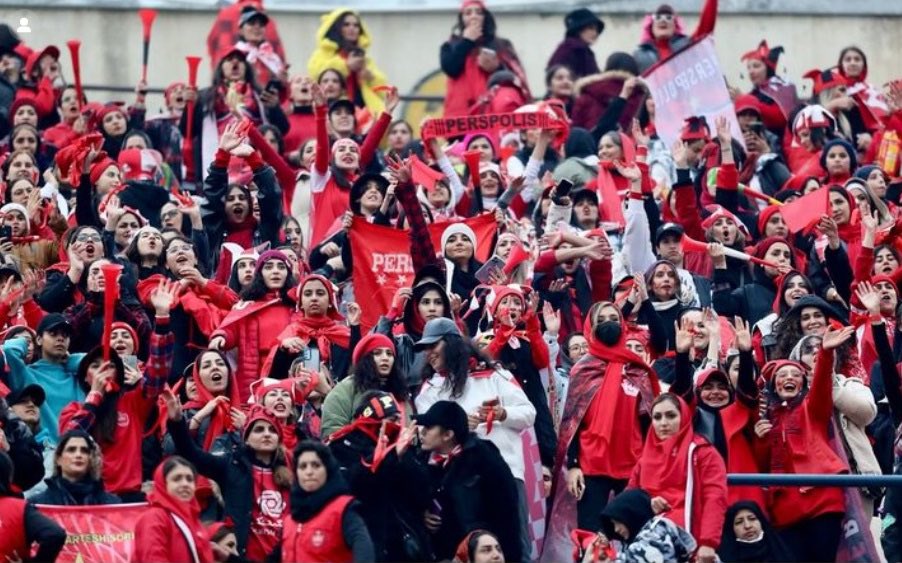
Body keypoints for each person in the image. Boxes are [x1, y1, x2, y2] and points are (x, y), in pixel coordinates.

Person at [754, 326, 854, 561]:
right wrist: (760, 440)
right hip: (784, 508)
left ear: (803, 383)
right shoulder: (766, 418)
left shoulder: (813, 409)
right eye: (782, 375)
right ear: (774, 385)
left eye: (796, 375)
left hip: (822, 500)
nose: (789, 378)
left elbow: (821, 388)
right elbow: (761, 465)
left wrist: (826, 354)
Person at [165, 390, 292, 560]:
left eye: (272, 430)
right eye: (259, 430)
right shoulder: (231, 465)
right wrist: (177, 422)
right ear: (246, 438)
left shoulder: (293, 473)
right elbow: (191, 454)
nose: (267, 434)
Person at [327, 391, 431, 561]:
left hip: (402, 541)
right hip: (363, 539)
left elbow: (422, 493)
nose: (397, 425)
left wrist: (400, 456)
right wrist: (385, 459)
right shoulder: (341, 447)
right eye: (391, 420)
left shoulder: (403, 447)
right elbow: (348, 488)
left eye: (399, 419)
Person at [415, 400, 523, 562]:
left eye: (428, 428)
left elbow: (507, 512)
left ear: (448, 435)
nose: (422, 433)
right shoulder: (421, 460)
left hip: (480, 552)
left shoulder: (483, 457)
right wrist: (423, 514)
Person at [627, 393, 727, 562]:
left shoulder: (703, 452)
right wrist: (647, 503)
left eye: (671, 416)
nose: (663, 423)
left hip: (689, 542)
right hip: (647, 542)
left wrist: (708, 542)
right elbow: (627, 501)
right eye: (657, 417)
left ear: (685, 417)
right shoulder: (643, 461)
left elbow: (715, 497)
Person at [273, 440, 375, 562]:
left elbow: (365, 553)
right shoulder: (290, 520)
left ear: (328, 469)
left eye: (316, 465)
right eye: (303, 466)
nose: (309, 472)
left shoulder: (343, 511)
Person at [440, 0, 530, 117]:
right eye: (468, 13)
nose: (474, 17)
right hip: (461, 115)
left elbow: (515, 79)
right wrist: (467, 41)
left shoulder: (501, 45)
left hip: (494, 112)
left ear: (485, 17)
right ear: (461, 19)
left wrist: (497, 68)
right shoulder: (450, 45)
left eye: (478, 12)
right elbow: (451, 69)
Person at [321, 333, 412, 437]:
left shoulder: (401, 392)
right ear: (365, 359)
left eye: (389, 354)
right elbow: (332, 431)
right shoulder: (345, 389)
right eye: (377, 353)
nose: (385, 358)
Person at [571, 488, 696, 563]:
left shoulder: (655, 535)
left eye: (617, 522)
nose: (616, 529)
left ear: (631, 514)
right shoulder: (636, 541)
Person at [131, 456, 214, 563]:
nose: (185, 484)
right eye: (177, 479)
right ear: (163, 484)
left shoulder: (194, 521)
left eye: (189, 479)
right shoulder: (154, 518)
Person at [307, 9, 388, 114]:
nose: (352, 28)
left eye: (356, 25)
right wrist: (346, 66)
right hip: (333, 110)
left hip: (362, 112)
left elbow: (382, 91)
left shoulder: (364, 57)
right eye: (346, 24)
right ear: (336, 27)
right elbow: (316, 75)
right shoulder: (322, 53)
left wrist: (370, 77)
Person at [0, 451, 67, 562]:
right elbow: (54, 534)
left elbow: (54, 535)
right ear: (8, 477)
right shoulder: (18, 508)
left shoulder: (18, 508)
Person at [29, 429, 120, 506]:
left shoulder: (112, 504)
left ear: (91, 459)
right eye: (71, 450)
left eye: (84, 451)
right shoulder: (37, 505)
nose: (78, 455)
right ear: (58, 459)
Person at [717, 501, 794, 563]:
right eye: (739, 522)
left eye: (752, 518)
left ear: (761, 522)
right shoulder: (722, 558)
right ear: (731, 529)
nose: (747, 526)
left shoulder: (779, 553)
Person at [545, 9, 604, 80]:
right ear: (578, 29)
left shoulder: (573, 48)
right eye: (590, 28)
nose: (595, 34)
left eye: (596, 30)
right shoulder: (576, 49)